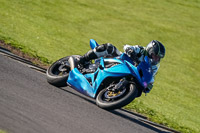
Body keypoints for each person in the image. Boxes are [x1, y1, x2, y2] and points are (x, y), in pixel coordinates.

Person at [78, 40, 165, 93]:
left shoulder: (154, 67)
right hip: (120, 60)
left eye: (158, 58)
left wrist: (147, 85)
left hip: (130, 74)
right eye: (155, 55)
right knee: (109, 47)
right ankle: (83, 60)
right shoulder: (141, 50)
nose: (156, 59)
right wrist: (130, 50)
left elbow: (150, 79)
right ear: (150, 50)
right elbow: (127, 46)